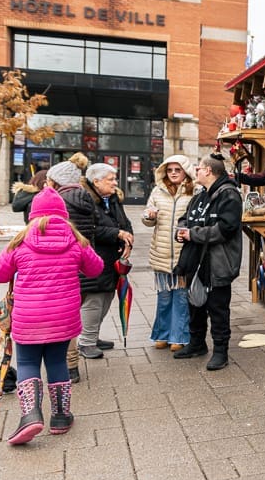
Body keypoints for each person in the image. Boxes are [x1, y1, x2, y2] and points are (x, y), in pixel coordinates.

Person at [0, 188, 102, 444]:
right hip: (63, 317)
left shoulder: (20, 240)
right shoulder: (75, 240)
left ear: (32, 215)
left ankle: (31, 416)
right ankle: (60, 417)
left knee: (28, 363)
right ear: (64, 214)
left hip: (28, 318)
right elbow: (96, 269)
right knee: (57, 362)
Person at [173, 154, 242, 370]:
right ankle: (197, 344)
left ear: (209, 171)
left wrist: (193, 234)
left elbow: (226, 229)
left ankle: (221, 352)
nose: (196, 170)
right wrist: (182, 230)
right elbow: (186, 218)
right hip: (195, 260)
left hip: (217, 263)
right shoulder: (201, 194)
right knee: (195, 303)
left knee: (218, 309)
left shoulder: (229, 195)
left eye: (199, 167)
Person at [45, 158, 98, 382]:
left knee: (58, 319)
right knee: (70, 316)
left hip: (60, 268)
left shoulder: (60, 202)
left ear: (56, 182)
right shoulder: (86, 199)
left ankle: (66, 366)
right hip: (81, 265)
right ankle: (71, 366)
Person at [75, 162, 134, 359]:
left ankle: (92, 335)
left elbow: (124, 221)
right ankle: (86, 342)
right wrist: (117, 233)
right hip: (95, 258)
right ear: (96, 181)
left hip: (112, 259)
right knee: (94, 300)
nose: (115, 183)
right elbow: (90, 229)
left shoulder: (113, 198)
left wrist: (128, 236)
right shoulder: (85, 200)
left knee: (107, 297)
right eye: (111, 180)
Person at [142, 155, 196, 351]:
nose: (173, 173)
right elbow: (147, 219)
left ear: (185, 172)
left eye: (177, 170)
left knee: (181, 298)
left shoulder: (194, 192)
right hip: (161, 253)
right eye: (170, 170)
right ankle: (162, 334)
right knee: (164, 298)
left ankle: (179, 336)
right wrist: (149, 216)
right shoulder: (158, 191)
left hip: (183, 254)